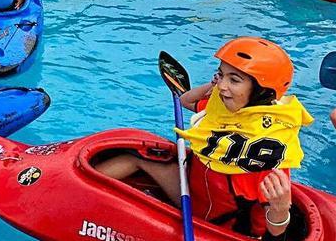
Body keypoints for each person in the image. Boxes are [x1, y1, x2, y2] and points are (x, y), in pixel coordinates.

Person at [94, 37, 313, 241]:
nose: (223, 86)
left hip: (219, 227)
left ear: (260, 92)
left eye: (234, 80)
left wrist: (280, 209)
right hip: (192, 193)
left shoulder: (269, 154)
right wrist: (214, 85)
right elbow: (185, 100)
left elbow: (276, 231)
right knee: (135, 156)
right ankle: (79, 193)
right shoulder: (226, 108)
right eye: (221, 75)